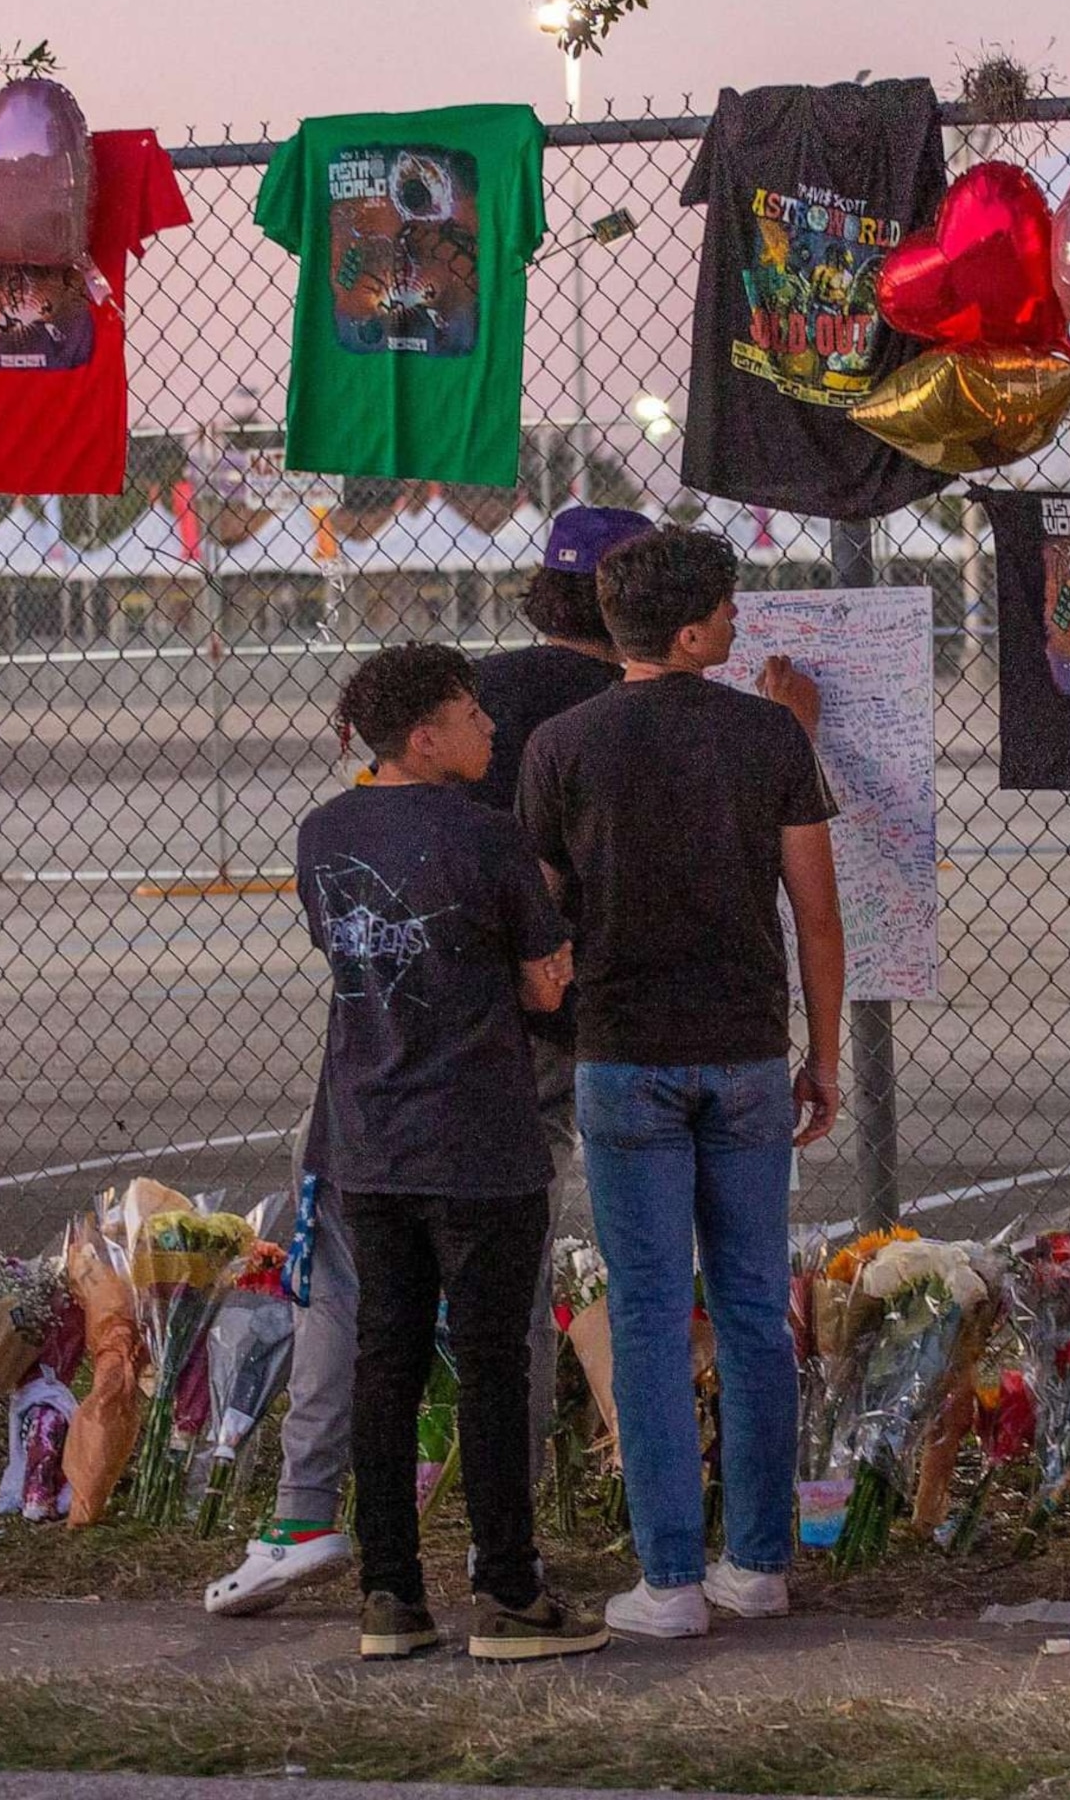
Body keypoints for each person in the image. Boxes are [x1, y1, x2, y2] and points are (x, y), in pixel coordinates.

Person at [204, 506, 651, 1619]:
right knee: (502, 1320)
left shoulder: (388, 770)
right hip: (520, 1061)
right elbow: (552, 959)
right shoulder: (623, 717)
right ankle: (512, 1561)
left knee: (367, 1320)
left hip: (378, 1084)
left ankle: (344, 1548)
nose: (482, 727)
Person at [518, 525, 844, 1640]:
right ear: (696, 630)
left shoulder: (562, 745)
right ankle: (756, 1562)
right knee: (755, 1307)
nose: (743, 623)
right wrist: (827, 1053)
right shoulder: (768, 739)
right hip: (746, 1050)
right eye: (732, 608)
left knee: (650, 1314)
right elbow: (814, 906)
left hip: (622, 1053)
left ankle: (667, 1581)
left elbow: (542, 913)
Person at [291, 642, 605, 1662]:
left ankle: (391, 1596)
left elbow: (346, 950)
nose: (490, 730)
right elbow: (542, 982)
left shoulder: (324, 834)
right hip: (479, 1133)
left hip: (370, 1136)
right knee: (489, 1360)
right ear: (425, 739)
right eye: (471, 717)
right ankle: (509, 1592)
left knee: (386, 1356)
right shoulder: (489, 838)